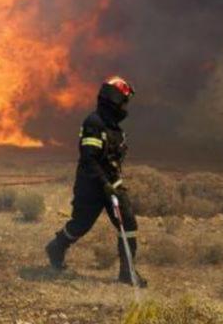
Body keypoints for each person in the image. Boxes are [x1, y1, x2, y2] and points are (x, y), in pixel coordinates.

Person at [45, 76, 147, 287]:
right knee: (80, 225)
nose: (125, 106)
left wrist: (114, 184)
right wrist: (104, 184)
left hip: (112, 185)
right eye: (123, 100)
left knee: (128, 223)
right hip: (91, 187)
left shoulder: (114, 128)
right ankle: (56, 246)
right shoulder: (94, 123)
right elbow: (89, 158)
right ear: (114, 99)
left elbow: (112, 160)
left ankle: (127, 273)